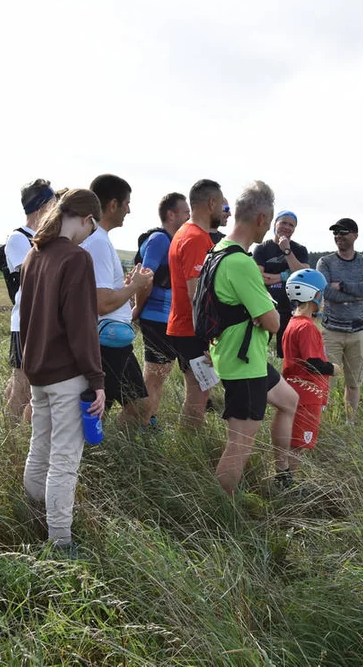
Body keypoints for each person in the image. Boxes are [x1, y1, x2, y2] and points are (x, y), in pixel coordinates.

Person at [19, 189, 106, 554]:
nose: (90, 234)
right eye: (93, 227)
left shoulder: (33, 254)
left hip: (37, 372)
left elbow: (24, 319)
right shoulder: (76, 258)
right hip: (68, 374)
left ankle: (31, 515)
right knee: (65, 460)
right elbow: (81, 325)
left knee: (40, 448)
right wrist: (97, 379)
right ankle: (61, 542)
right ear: (86, 219)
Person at [209, 181, 298, 495]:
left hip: (247, 358)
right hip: (243, 363)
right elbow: (273, 323)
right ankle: (221, 511)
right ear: (262, 219)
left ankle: (283, 474)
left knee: (290, 401)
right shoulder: (241, 263)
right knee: (241, 444)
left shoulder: (219, 251)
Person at [83, 174, 154, 423]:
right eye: (126, 203)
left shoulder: (96, 239)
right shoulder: (98, 243)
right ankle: (103, 452)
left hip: (108, 339)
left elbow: (100, 294)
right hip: (107, 341)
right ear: (113, 204)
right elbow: (101, 303)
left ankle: (96, 452)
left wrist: (124, 287)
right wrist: (135, 286)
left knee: (97, 410)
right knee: (140, 406)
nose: (129, 210)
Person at [167, 178, 226, 426]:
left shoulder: (187, 232)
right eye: (222, 204)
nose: (224, 211)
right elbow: (196, 294)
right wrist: (206, 336)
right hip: (192, 329)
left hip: (186, 326)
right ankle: (190, 449)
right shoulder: (195, 238)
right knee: (198, 394)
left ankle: (190, 446)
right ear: (211, 203)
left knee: (199, 391)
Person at [132, 192, 190, 426]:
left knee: (160, 375)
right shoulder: (159, 240)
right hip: (156, 318)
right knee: (154, 376)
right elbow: (145, 278)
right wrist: (137, 309)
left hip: (167, 319)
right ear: (171, 214)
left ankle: (148, 420)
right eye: (185, 212)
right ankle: (140, 425)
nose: (189, 216)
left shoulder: (173, 240)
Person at [4, 179, 56, 423]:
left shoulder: (50, 237)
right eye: (54, 202)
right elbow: (33, 275)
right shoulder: (18, 238)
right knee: (22, 388)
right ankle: (9, 442)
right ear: (42, 206)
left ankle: (22, 433)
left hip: (44, 322)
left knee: (31, 386)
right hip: (25, 322)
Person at [281, 269, 339, 485]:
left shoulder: (293, 322)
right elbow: (313, 363)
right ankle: (288, 482)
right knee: (298, 443)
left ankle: (285, 477)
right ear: (315, 295)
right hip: (306, 396)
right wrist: (333, 368)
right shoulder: (306, 327)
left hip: (297, 392)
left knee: (294, 440)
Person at [316, 218, 363, 421]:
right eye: (335, 233)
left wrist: (340, 285)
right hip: (331, 332)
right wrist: (356, 291)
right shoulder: (325, 262)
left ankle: (349, 423)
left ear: (355, 235)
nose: (338, 236)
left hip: (358, 333)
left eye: (343, 232)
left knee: (354, 383)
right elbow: (327, 292)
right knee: (325, 382)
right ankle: (323, 424)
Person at [253, 210, 310, 358]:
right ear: (275, 224)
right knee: (257, 352)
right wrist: (286, 275)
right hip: (265, 307)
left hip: (290, 308)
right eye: (283, 222)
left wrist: (287, 251)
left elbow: (302, 277)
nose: (286, 227)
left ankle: (284, 381)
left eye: (291, 225)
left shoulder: (299, 250)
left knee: (286, 354)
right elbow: (259, 278)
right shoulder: (262, 248)